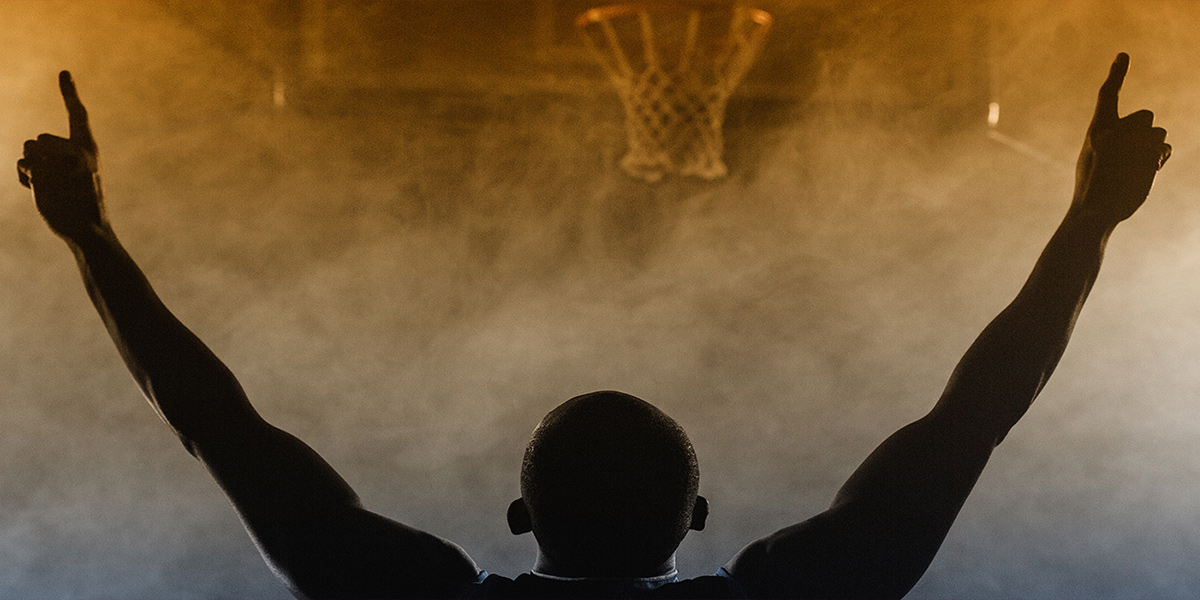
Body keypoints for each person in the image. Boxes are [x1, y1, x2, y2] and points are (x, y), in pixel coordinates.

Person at [17, 53, 1169, 599]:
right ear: (698, 517)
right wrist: (1089, 221)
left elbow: (216, 426)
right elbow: (975, 418)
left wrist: (92, 239)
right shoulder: (779, 599)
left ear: (520, 517)